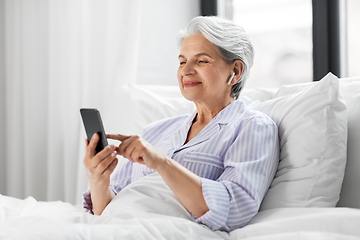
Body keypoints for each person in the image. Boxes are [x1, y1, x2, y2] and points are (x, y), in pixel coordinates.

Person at [82, 16, 279, 232]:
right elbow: (106, 210)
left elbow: (234, 209)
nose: (186, 71)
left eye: (201, 61)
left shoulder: (252, 127)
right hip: (111, 228)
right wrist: (98, 179)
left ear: (236, 71)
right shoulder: (156, 131)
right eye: (182, 61)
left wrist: (161, 162)